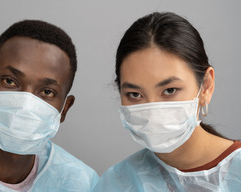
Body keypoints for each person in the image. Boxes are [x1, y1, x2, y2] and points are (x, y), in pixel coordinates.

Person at [93, 12, 241, 191]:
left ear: (206, 87)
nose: (153, 113)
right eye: (134, 94)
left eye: (169, 91)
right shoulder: (116, 184)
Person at [0, 20, 98, 191]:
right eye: (10, 81)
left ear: (64, 109)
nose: (25, 105)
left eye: (46, 92)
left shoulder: (81, 183)